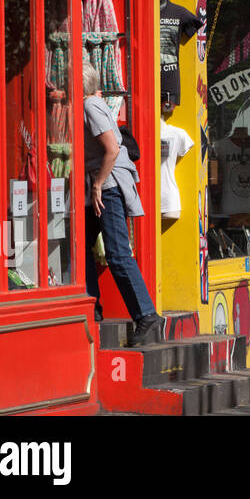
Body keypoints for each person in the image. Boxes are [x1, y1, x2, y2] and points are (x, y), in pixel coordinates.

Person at [82, 63, 160, 342]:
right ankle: (92, 309)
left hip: (108, 185)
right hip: (97, 184)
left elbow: (113, 149)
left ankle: (146, 315)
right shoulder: (91, 103)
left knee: (116, 253)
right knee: (82, 245)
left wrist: (99, 185)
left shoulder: (90, 106)